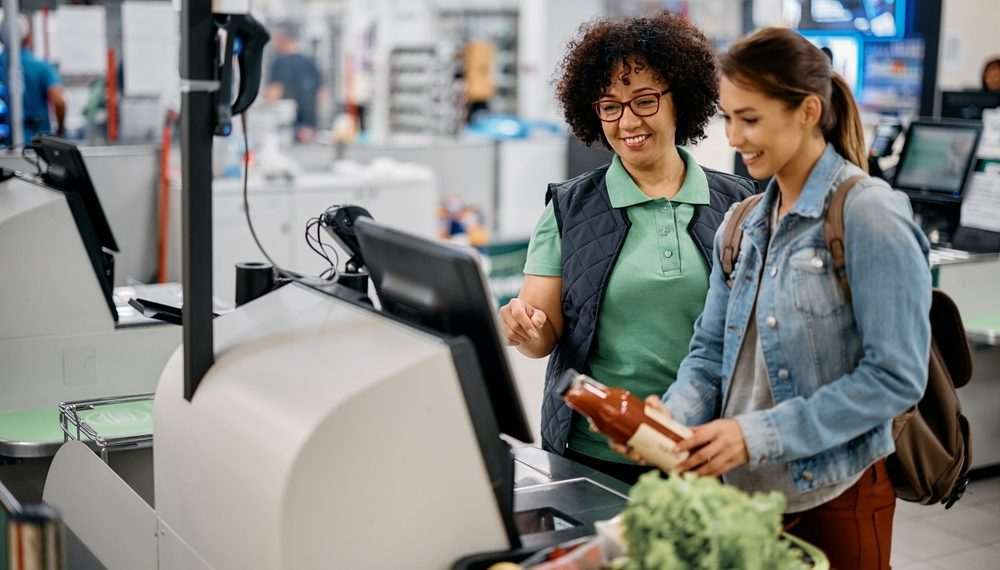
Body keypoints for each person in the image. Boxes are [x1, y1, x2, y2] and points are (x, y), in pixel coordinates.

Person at [628, 27, 930, 569]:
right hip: (744, 499)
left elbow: (896, 377)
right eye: (728, 118)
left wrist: (755, 435)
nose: (735, 138)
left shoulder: (868, 215)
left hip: (835, 495)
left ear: (808, 112)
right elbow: (708, 356)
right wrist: (668, 424)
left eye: (750, 119)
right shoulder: (741, 224)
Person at [497, 12, 754, 485]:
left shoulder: (738, 203)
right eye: (610, 106)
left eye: (644, 100)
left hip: (704, 450)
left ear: (682, 99)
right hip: (594, 453)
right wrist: (524, 327)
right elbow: (543, 337)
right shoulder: (570, 208)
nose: (628, 121)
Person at [0, 15, 66, 141]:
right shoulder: (41, 67)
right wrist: (61, 129)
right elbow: (58, 101)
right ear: (28, 38)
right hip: (36, 145)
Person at [264, 22, 322, 143]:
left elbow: (274, 93)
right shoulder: (311, 62)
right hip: (309, 129)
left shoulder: (280, 63)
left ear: (283, 39)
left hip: (287, 129)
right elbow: (321, 95)